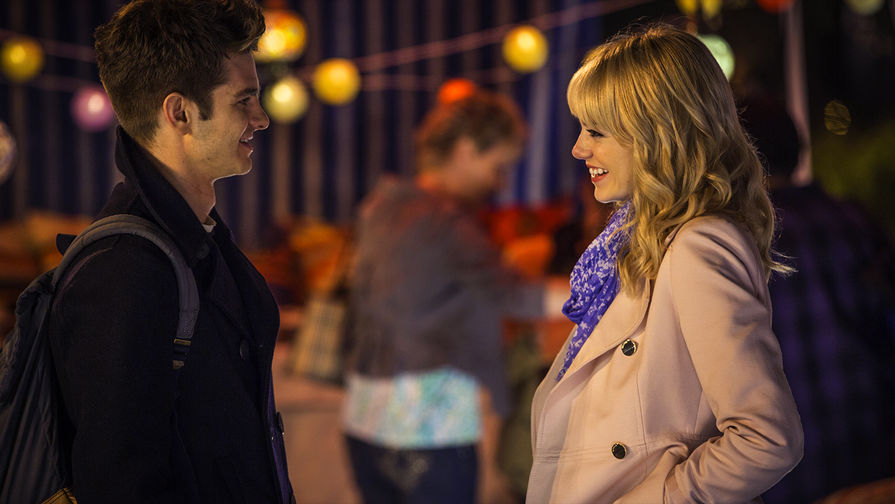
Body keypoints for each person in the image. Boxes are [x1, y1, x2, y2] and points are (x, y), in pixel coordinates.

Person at [526, 23, 804, 503]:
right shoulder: (637, 241)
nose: (578, 148)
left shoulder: (698, 244)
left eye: (596, 131)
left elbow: (766, 437)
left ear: (657, 132)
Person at [46, 1, 293, 502]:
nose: (262, 118)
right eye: (244, 99)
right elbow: (119, 486)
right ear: (179, 112)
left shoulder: (193, 239)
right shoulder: (122, 271)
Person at [343, 91, 566, 503]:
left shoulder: (381, 207)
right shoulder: (445, 221)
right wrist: (609, 290)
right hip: (427, 424)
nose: (500, 183)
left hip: (365, 415)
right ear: (466, 150)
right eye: (498, 167)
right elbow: (517, 295)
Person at [740, 97, 895, 504]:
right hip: (871, 462)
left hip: (782, 477)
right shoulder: (853, 222)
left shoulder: (734, 240)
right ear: (798, 149)